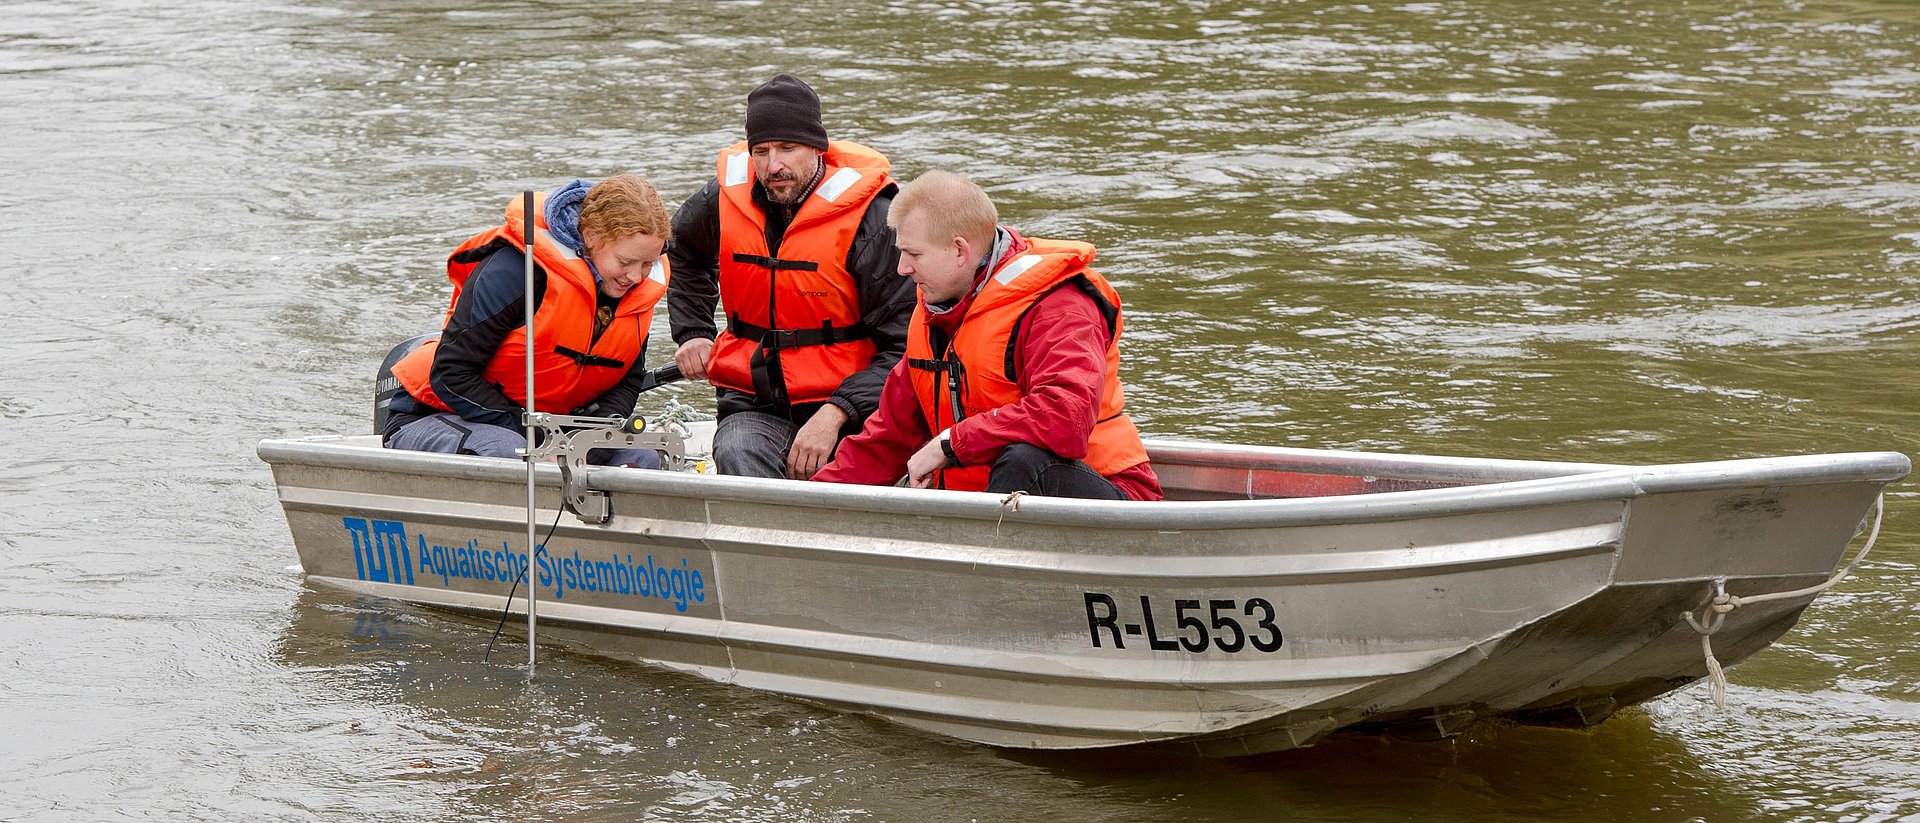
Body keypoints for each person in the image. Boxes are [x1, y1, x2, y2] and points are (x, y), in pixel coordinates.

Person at [813, 171, 1162, 500]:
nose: (902, 269)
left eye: (913, 254)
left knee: (1023, 460)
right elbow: (887, 438)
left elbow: (1065, 420)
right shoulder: (936, 310)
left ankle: (976, 554)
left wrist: (950, 443)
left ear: (960, 251)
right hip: (986, 506)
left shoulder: (1058, 306)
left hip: (1111, 496)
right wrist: (807, 504)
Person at [667, 73, 914, 480]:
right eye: (760, 151)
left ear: (817, 147)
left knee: (858, 478)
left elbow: (904, 346)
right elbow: (683, 254)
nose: (773, 165)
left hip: (856, 409)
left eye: (787, 148)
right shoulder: (721, 198)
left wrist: (837, 413)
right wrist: (693, 331)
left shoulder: (874, 219)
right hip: (754, 404)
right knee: (737, 449)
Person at [383, 174, 671, 468]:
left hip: (550, 430)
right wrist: (537, 438)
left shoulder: (632, 292)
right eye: (625, 262)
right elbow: (452, 374)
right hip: (436, 415)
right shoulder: (515, 271)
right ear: (593, 236)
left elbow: (626, 382)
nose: (636, 277)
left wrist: (592, 441)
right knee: (509, 453)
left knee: (641, 457)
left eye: (647, 264)